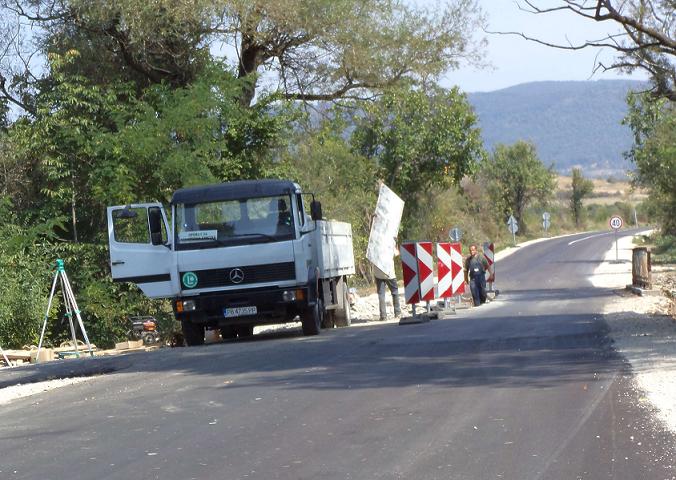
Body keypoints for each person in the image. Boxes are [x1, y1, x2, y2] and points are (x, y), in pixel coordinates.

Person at [374, 237, 402, 321]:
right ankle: (397, 313)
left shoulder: (374, 247)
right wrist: (396, 245)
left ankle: (383, 316)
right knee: (394, 292)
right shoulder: (389, 246)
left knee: (381, 294)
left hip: (378, 272)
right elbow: (397, 253)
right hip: (389, 272)